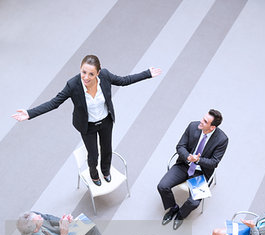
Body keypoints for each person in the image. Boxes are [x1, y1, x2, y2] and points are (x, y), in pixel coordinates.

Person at [12, 55, 161, 186]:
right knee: (93, 154)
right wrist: (29, 113)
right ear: (80, 70)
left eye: (91, 73)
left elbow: (124, 80)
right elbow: (54, 103)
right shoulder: (73, 85)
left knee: (107, 149)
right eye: (84, 72)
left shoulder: (106, 76)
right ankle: (94, 175)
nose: (86, 77)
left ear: (98, 72)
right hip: (87, 125)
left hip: (105, 122)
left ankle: (105, 171)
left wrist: (147, 74)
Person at [157, 110, 228, 230]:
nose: (201, 121)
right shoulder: (193, 126)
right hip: (183, 164)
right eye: (203, 118)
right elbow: (180, 146)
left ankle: (180, 214)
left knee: (194, 202)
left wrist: (198, 160)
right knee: (162, 186)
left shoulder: (222, 140)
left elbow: (214, 162)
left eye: (205, 121)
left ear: (212, 127)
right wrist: (188, 157)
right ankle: (173, 208)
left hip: (200, 172)